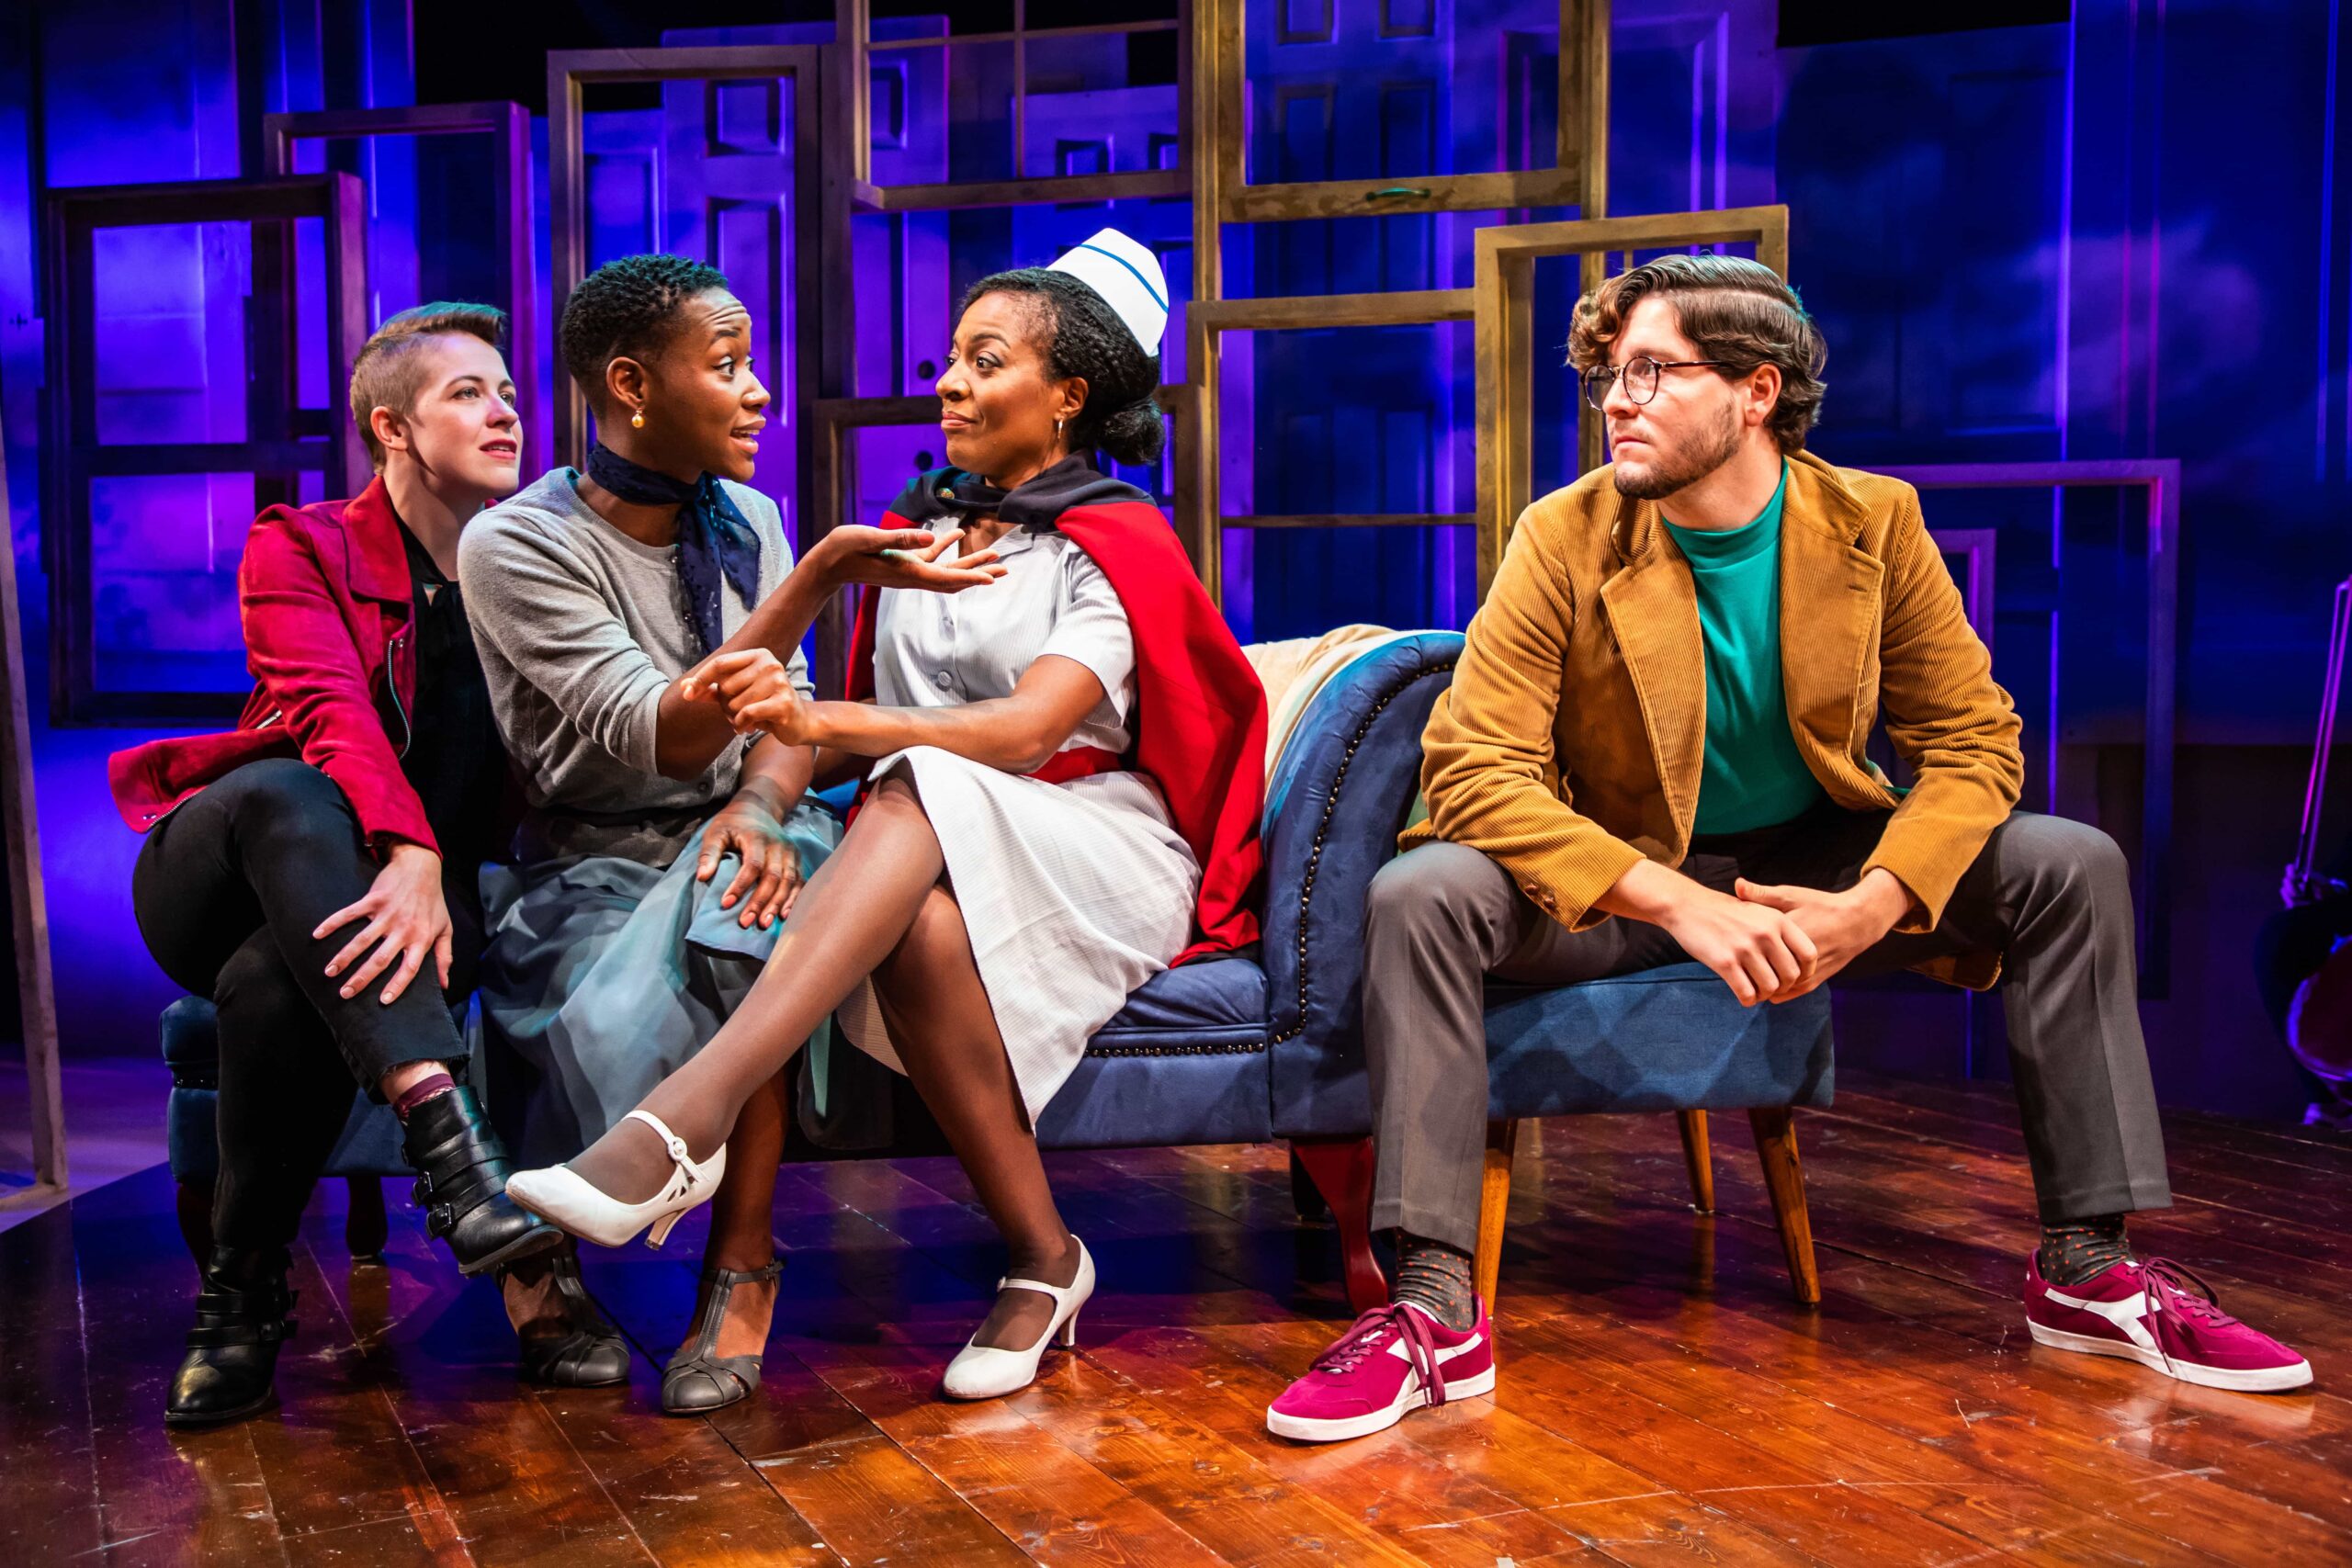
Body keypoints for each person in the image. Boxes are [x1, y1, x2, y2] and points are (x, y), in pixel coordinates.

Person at [1265, 254, 2312, 1445]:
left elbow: (1975, 741)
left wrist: (1873, 901)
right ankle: (1433, 1304)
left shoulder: (1873, 522)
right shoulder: (1564, 536)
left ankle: (2089, 1261)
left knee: (2071, 862)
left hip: (1818, 856)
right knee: (1422, 890)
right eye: (1610, 375)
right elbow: (1473, 765)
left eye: (1654, 371)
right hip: (1624, 869)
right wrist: (1674, 902)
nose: (1618, 399)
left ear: (1757, 391)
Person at [503, 229, 1268, 1403]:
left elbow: (1019, 734)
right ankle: (1045, 1257)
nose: (949, 380)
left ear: (1067, 396)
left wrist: (832, 731)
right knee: (915, 920)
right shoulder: (923, 529)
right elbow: (797, 728)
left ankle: (679, 1123)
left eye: (985, 359)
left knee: (917, 775)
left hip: (1095, 841)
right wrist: (770, 790)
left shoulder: (1116, 543)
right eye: (952, 355)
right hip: (938, 846)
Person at [460, 254, 1003, 1414]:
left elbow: (787, 718)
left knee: (748, 910)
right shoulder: (515, 544)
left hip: (749, 824)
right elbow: (648, 731)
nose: (759, 391)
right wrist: (819, 576)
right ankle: (549, 1252)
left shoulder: (744, 516)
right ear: (629, 383)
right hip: (593, 853)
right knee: (613, 984)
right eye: (727, 366)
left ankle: (741, 1266)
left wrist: (761, 804)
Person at [111, 303, 566, 1427]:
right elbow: (327, 715)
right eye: (467, 392)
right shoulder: (300, 544)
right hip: (221, 875)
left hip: (377, 913)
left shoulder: (535, 567)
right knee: (286, 784)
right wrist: (408, 848)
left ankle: (239, 1305)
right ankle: (448, 1149)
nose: (503, 408)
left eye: (507, 390)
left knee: (279, 982)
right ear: (391, 428)